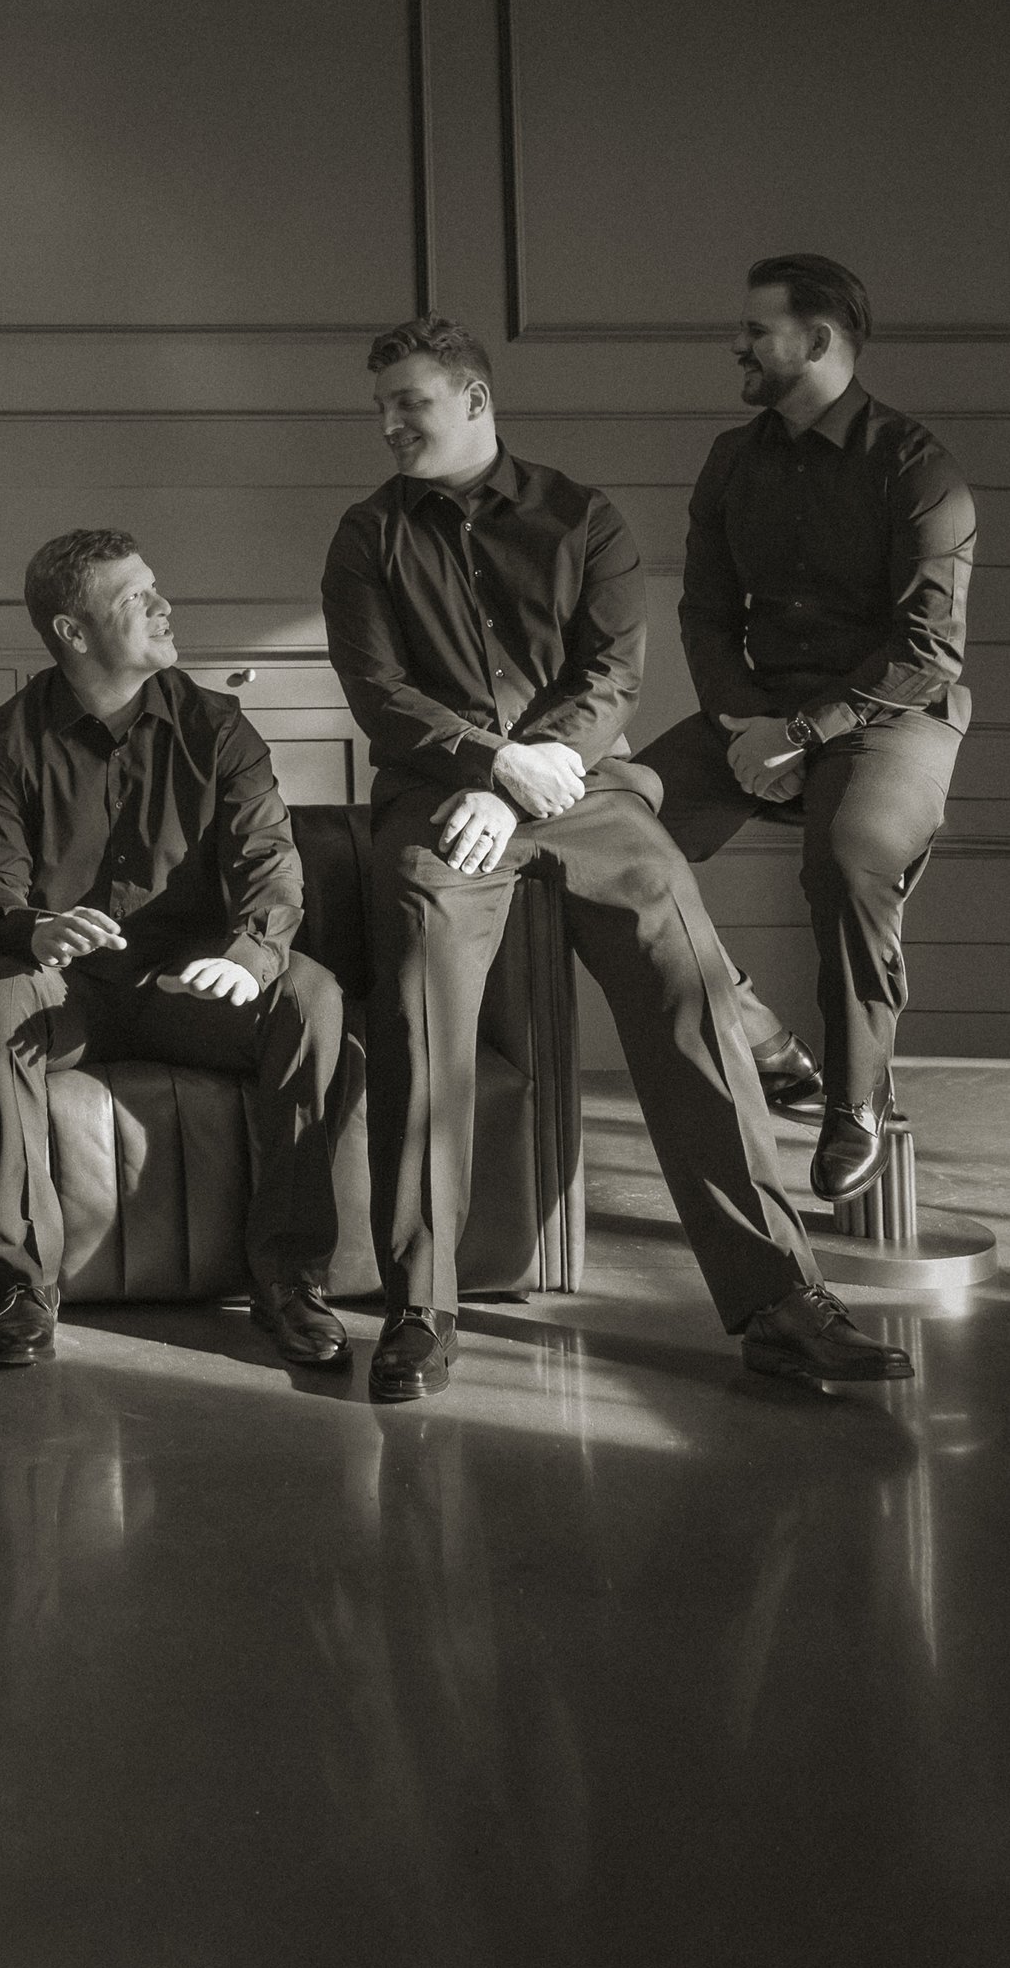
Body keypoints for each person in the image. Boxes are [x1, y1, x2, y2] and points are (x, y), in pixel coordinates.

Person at [322, 313, 909, 1404]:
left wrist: (539, 765)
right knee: (416, 996)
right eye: (381, 408)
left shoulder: (581, 517)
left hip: (582, 791)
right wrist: (493, 769)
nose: (391, 423)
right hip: (445, 797)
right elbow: (378, 697)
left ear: (474, 400)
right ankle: (421, 1303)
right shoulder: (367, 536)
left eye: (410, 401)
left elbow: (612, 679)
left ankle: (780, 1302)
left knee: (688, 990)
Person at [0, 530, 354, 1373]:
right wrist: (34, 930)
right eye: (138, 599)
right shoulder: (7, 741)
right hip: (70, 992)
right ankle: (23, 1284)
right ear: (73, 632)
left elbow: (271, 864)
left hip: (192, 990)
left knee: (309, 995)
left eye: (155, 589)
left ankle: (291, 1281)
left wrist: (248, 955)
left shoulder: (217, 727)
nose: (165, 607)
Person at [643, 255, 976, 1204]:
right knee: (605, 835)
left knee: (848, 852)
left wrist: (799, 733)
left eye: (755, 330)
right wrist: (744, 720)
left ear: (819, 341)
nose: (735, 344)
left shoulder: (920, 470)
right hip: (757, 704)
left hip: (891, 715)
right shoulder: (731, 460)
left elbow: (927, 655)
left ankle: (856, 1101)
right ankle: (760, 1036)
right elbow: (705, 615)